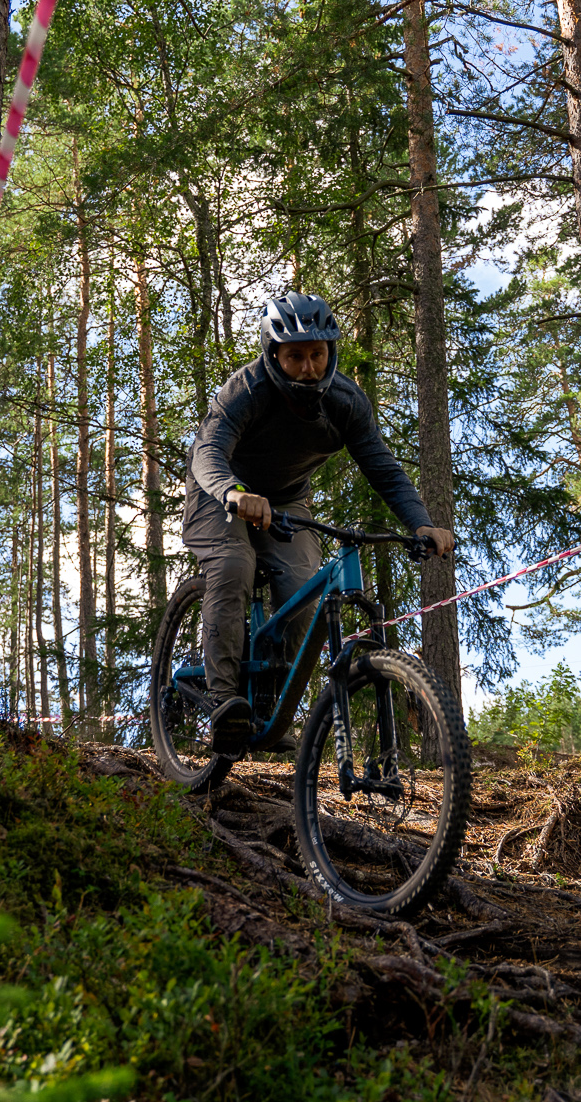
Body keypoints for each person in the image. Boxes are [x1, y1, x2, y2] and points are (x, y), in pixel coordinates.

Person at [182, 293, 455, 757]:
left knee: (304, 595)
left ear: (331, 351)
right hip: (220, 490)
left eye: (317, 354)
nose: (308, 368)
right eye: (295, 356)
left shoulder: (346, 402)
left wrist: (422, 523)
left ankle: (272, 712)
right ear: (273, 355)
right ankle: (224, 701)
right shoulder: (245, 390)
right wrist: (234, 493)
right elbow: (208, 452)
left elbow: (383, 469)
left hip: (287, 501)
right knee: (232, 565)